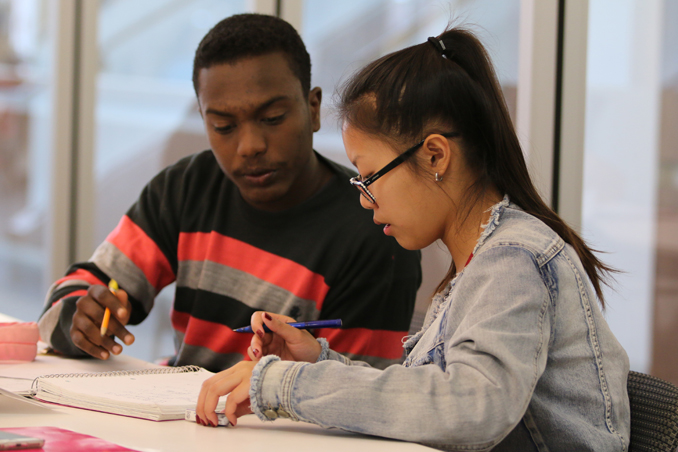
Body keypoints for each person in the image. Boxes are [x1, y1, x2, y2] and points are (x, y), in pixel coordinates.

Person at [195, 27, 631, 451]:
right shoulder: (480, 262)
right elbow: (430, 397)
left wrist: (288, 384)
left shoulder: (512, 260)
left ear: (435, 155)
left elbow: (470, 409)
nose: (365, 201)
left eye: (369, 177)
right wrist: (318, 364)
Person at [37, 14, 422, 372]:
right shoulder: (188, 188)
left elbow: (356, 401)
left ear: (314, 108)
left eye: (272, 119)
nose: (250, 146)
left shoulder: (375, 227)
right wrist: (79, 318)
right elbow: (66, 302)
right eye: (223, 126)